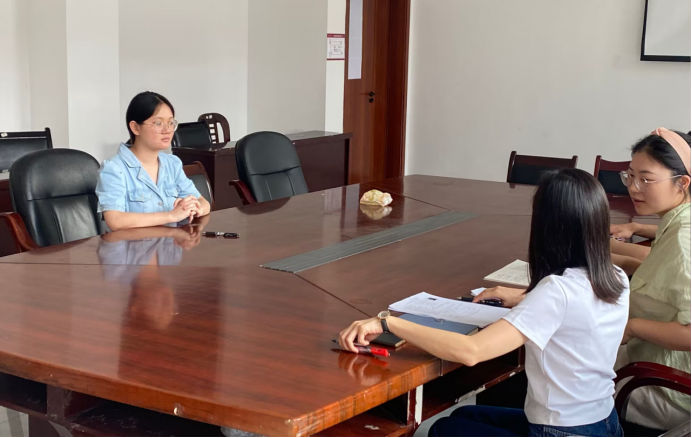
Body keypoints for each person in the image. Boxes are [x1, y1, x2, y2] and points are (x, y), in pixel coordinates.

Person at [339, 169, 630, 437]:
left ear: (549, 226)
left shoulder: (556, 292)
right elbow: (574, 312)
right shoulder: (614, 277)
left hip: (562, 431)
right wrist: (524, 298)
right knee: (465, 416)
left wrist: (387, 323)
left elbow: (471, 351)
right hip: (604, 422)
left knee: (444, 430)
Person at [609, 128, 691, 431]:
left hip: (671, 389)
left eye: (646, 179)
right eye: (630, 176)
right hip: (654, 360)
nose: (634, 187)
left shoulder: (683, 240)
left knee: (557, 373)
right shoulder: (679, 220)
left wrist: (632, 327)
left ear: (682, 183)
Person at [96, 92, 211, 231]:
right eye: (158, 123)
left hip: (171, 242)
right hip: (133, 244)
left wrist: (194, 208)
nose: (167, 130)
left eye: (171, 123)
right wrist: (171, 216)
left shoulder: (172, 164)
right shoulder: (114, 168)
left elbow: (203, 203)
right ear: (135, 127)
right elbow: (115, 220)